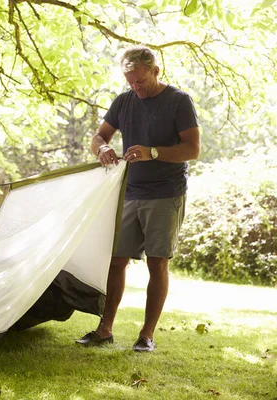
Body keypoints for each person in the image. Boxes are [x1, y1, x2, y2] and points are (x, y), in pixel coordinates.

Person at [76, 45, 200, 352]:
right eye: (130, 81)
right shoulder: (123, 101)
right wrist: (102, 148)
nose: (136, 86)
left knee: (157, 263)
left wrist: (152, 152)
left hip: (166, 193)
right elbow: (99, 137)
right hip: (129, 193)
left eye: (140, 80)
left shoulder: (178, 101)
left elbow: (192, 149)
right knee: (116, 261)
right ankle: (105, 330)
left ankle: (146, 335)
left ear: (156, 71)